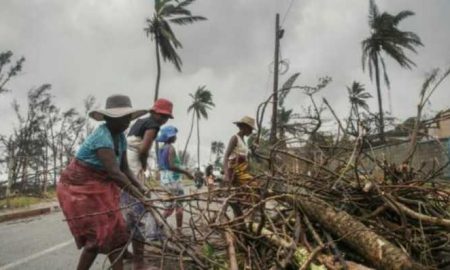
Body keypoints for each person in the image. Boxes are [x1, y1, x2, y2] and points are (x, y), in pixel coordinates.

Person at [57, 95, 150, 270]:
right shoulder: (102, 137)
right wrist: (140, 197)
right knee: (97, 236)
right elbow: (114, 173)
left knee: (116, 232)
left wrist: (142, 188)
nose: (126, 123)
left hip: (100, 186)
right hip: (78, 188)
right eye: (121, 118)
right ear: (108, 118)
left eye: (127, 118)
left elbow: (125, 169)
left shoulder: (121, 138)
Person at [120, 98, 173, 260]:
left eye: (166, 117)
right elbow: (143, 150)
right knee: (137, 213)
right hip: (133, 165)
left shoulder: (140, 122)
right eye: (162, 116)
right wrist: (143, 166)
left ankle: (123, 251)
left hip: (123, 163)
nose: (163, 120)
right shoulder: (153, 125)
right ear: (154, 112)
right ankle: (138, 260)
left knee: (127, 212)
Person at [156, 125, 194, 235]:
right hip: (174, 181)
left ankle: (158, 228)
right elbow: (172, 166)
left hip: (165, 181)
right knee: (179, 206)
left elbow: (163, 166)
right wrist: (186, 172)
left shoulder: (161, 149)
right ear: (170, 137)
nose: (176, 137)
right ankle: (179, 232)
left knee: (168, 207)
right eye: (174, 135)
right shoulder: (171, 148)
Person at [223, 116, 257, 217]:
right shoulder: (235, 138)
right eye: (250, 129)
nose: (251, 131)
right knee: (253, 187)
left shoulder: (243, 141)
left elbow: (246, 155)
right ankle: (222, 216)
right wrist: (226, 174)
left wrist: (253, 149)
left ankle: (238, 217)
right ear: (244, 127)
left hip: (242, 170)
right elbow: (226, 156)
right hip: (234, 170)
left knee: (236, 196)